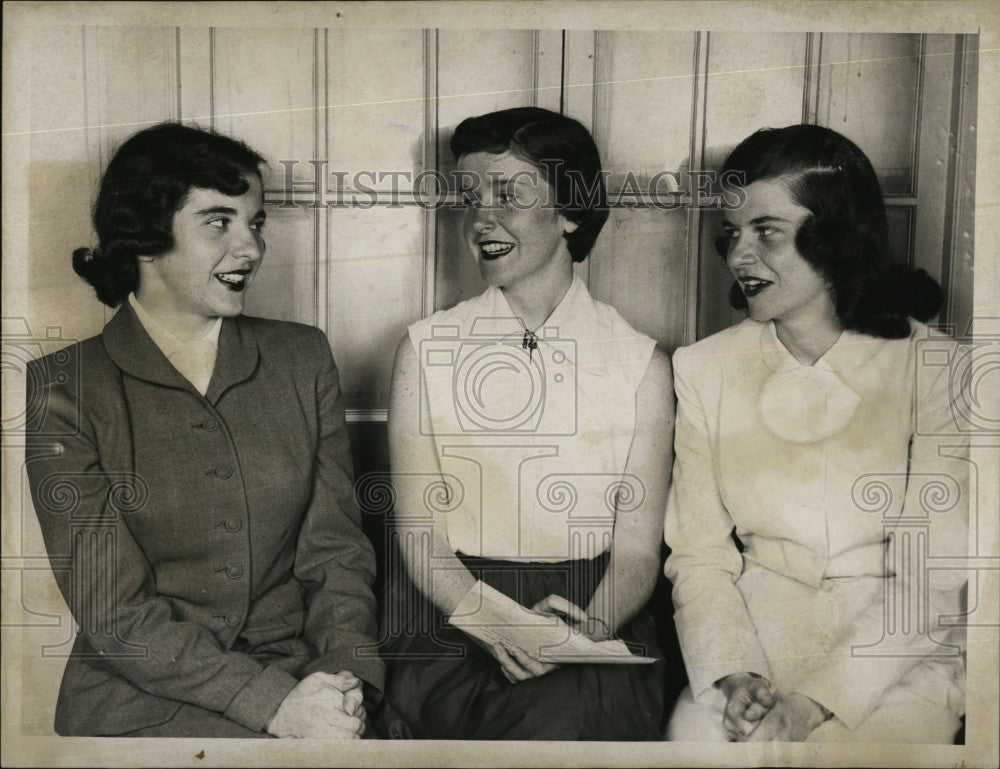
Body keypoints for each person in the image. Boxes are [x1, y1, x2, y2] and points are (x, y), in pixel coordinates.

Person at [24, 122, 383, 738]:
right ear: (145, 238)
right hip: (141, 701)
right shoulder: (63, 388)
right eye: (219, 223)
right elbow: (114, 611)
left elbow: (336, 554)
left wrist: (346, 679)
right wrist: (273, 706)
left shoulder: (302, 358)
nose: (251, 249)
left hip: (309, 681)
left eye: (256, 223)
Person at [374, 107, 675, 739]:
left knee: (564, 712)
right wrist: (495, 623)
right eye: (470, 197)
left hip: (596, 607)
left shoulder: (641, 363)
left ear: (570, 211)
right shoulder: (426, 350)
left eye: (509, 194)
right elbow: (421, 539)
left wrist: (584, 633)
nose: (482, 218)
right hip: (453, 607)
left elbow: (637, 550)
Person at [664, 124, 968, 743]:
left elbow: (929, 579)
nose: (738, 256)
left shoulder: (937, 369)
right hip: (754, 636)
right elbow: (699, 556)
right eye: (733, 234)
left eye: (766, 233)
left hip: (895, 654)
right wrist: (734, 673)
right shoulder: (703, 368)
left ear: (836, 235)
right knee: (699, 748)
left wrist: (817, 701)